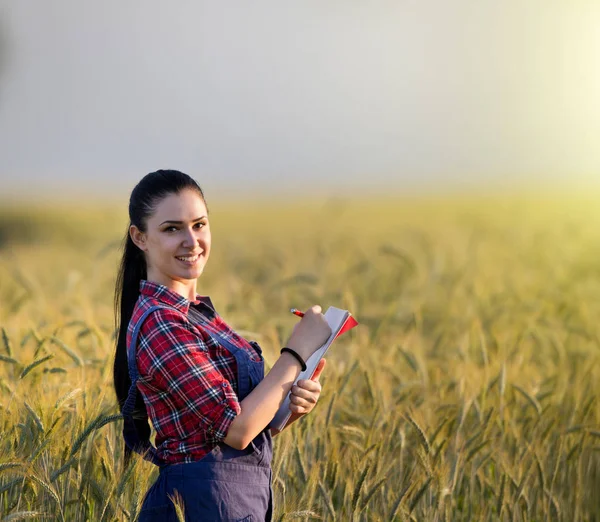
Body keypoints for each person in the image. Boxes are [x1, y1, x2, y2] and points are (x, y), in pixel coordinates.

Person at [112, 170, 331, 521]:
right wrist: (295, 353)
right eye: (172, 229)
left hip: (236, 501)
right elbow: (236, 430)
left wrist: (288, 407)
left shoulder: (199, 316)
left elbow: (235, 422)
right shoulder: (161, 323)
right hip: (200, 504)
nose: (191, 240)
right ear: (139, 237)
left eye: (199, 225)